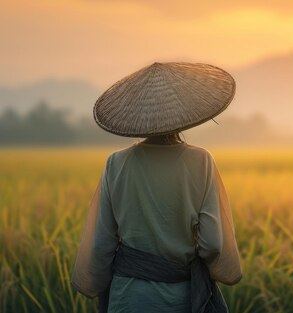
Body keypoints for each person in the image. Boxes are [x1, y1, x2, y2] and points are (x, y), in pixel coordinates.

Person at [71, 62, 242, 313]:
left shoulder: (116, 163)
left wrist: (95, 285)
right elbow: (213, 244)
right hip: (180, 297)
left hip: (127, 296)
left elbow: (100, 243)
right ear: (183, 112)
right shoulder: (200, 161)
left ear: (138, 115)